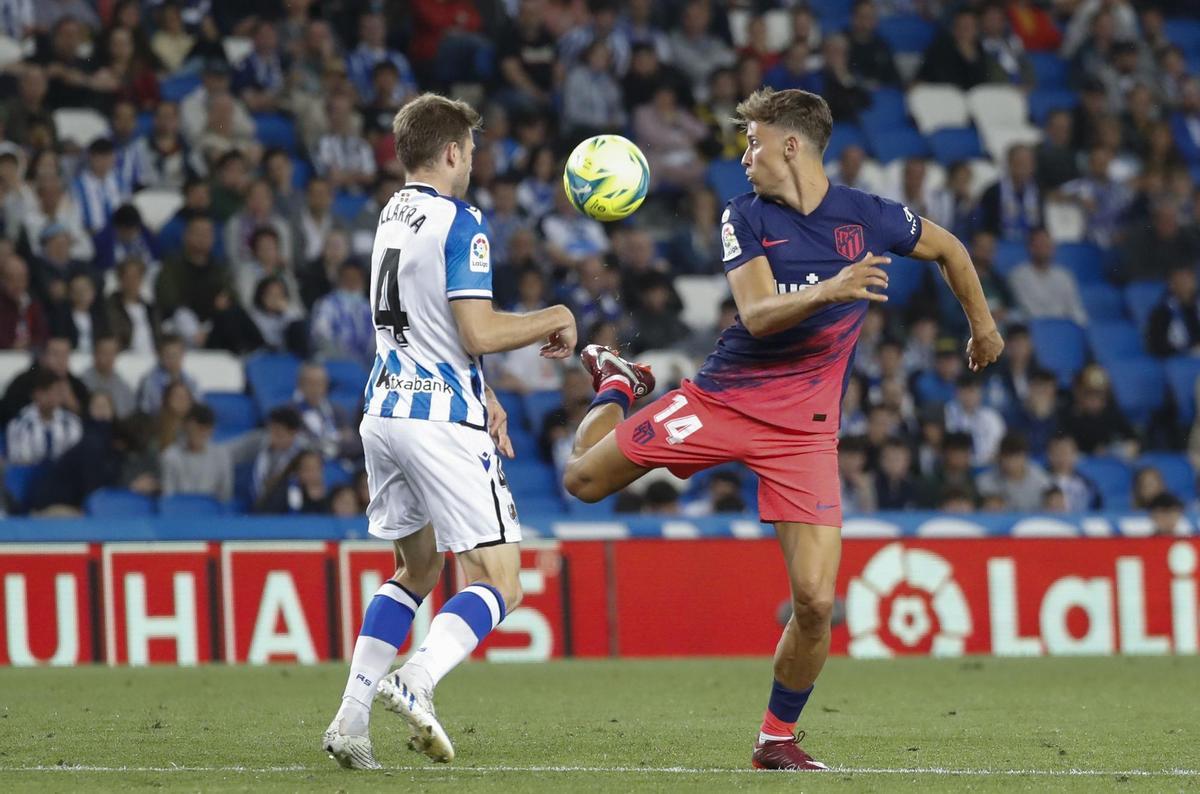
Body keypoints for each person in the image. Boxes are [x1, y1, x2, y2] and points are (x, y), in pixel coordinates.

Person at [559, 88, 1003, 770]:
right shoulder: (745, 217)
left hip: (803, 431)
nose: (744, 156)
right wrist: (832, 288)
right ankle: (618, 380)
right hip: (722, 400)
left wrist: (983, 325)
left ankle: (775, 739)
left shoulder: (870, 215)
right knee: (582, 479)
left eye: (753, 142)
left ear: (790, 145)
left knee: (817, 602)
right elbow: (759, 314)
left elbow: (951, 251)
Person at [323, 93, 578, 770]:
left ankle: (350, 719)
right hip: (441, 425)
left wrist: (484, 386)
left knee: (417, 567)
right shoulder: (461, 220)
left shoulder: (391, 214)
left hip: (385, 414)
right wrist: (554, 313)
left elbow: (424, 325)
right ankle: (418, 677)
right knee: (502, 580)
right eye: (470, 148)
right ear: (453, 152)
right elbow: (477, 330)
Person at [5, 370, 83, 466]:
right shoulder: (19, 424)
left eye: (57, 392)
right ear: (36, 394)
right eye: (49, 392)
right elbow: (18, 462)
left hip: (63, 476)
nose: (53, 397)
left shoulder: (71, 422)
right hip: (30, 476)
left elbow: (78, 458)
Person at [159, 403, 232, 503]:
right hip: (178, 513)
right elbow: (167, 498)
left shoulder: (221, 455)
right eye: (196, 428)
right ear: (186, 426)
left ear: (211, 430)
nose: (200, 433)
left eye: (205, 429)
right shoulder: (170, 456)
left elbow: (225, 497)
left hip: (211, 514)